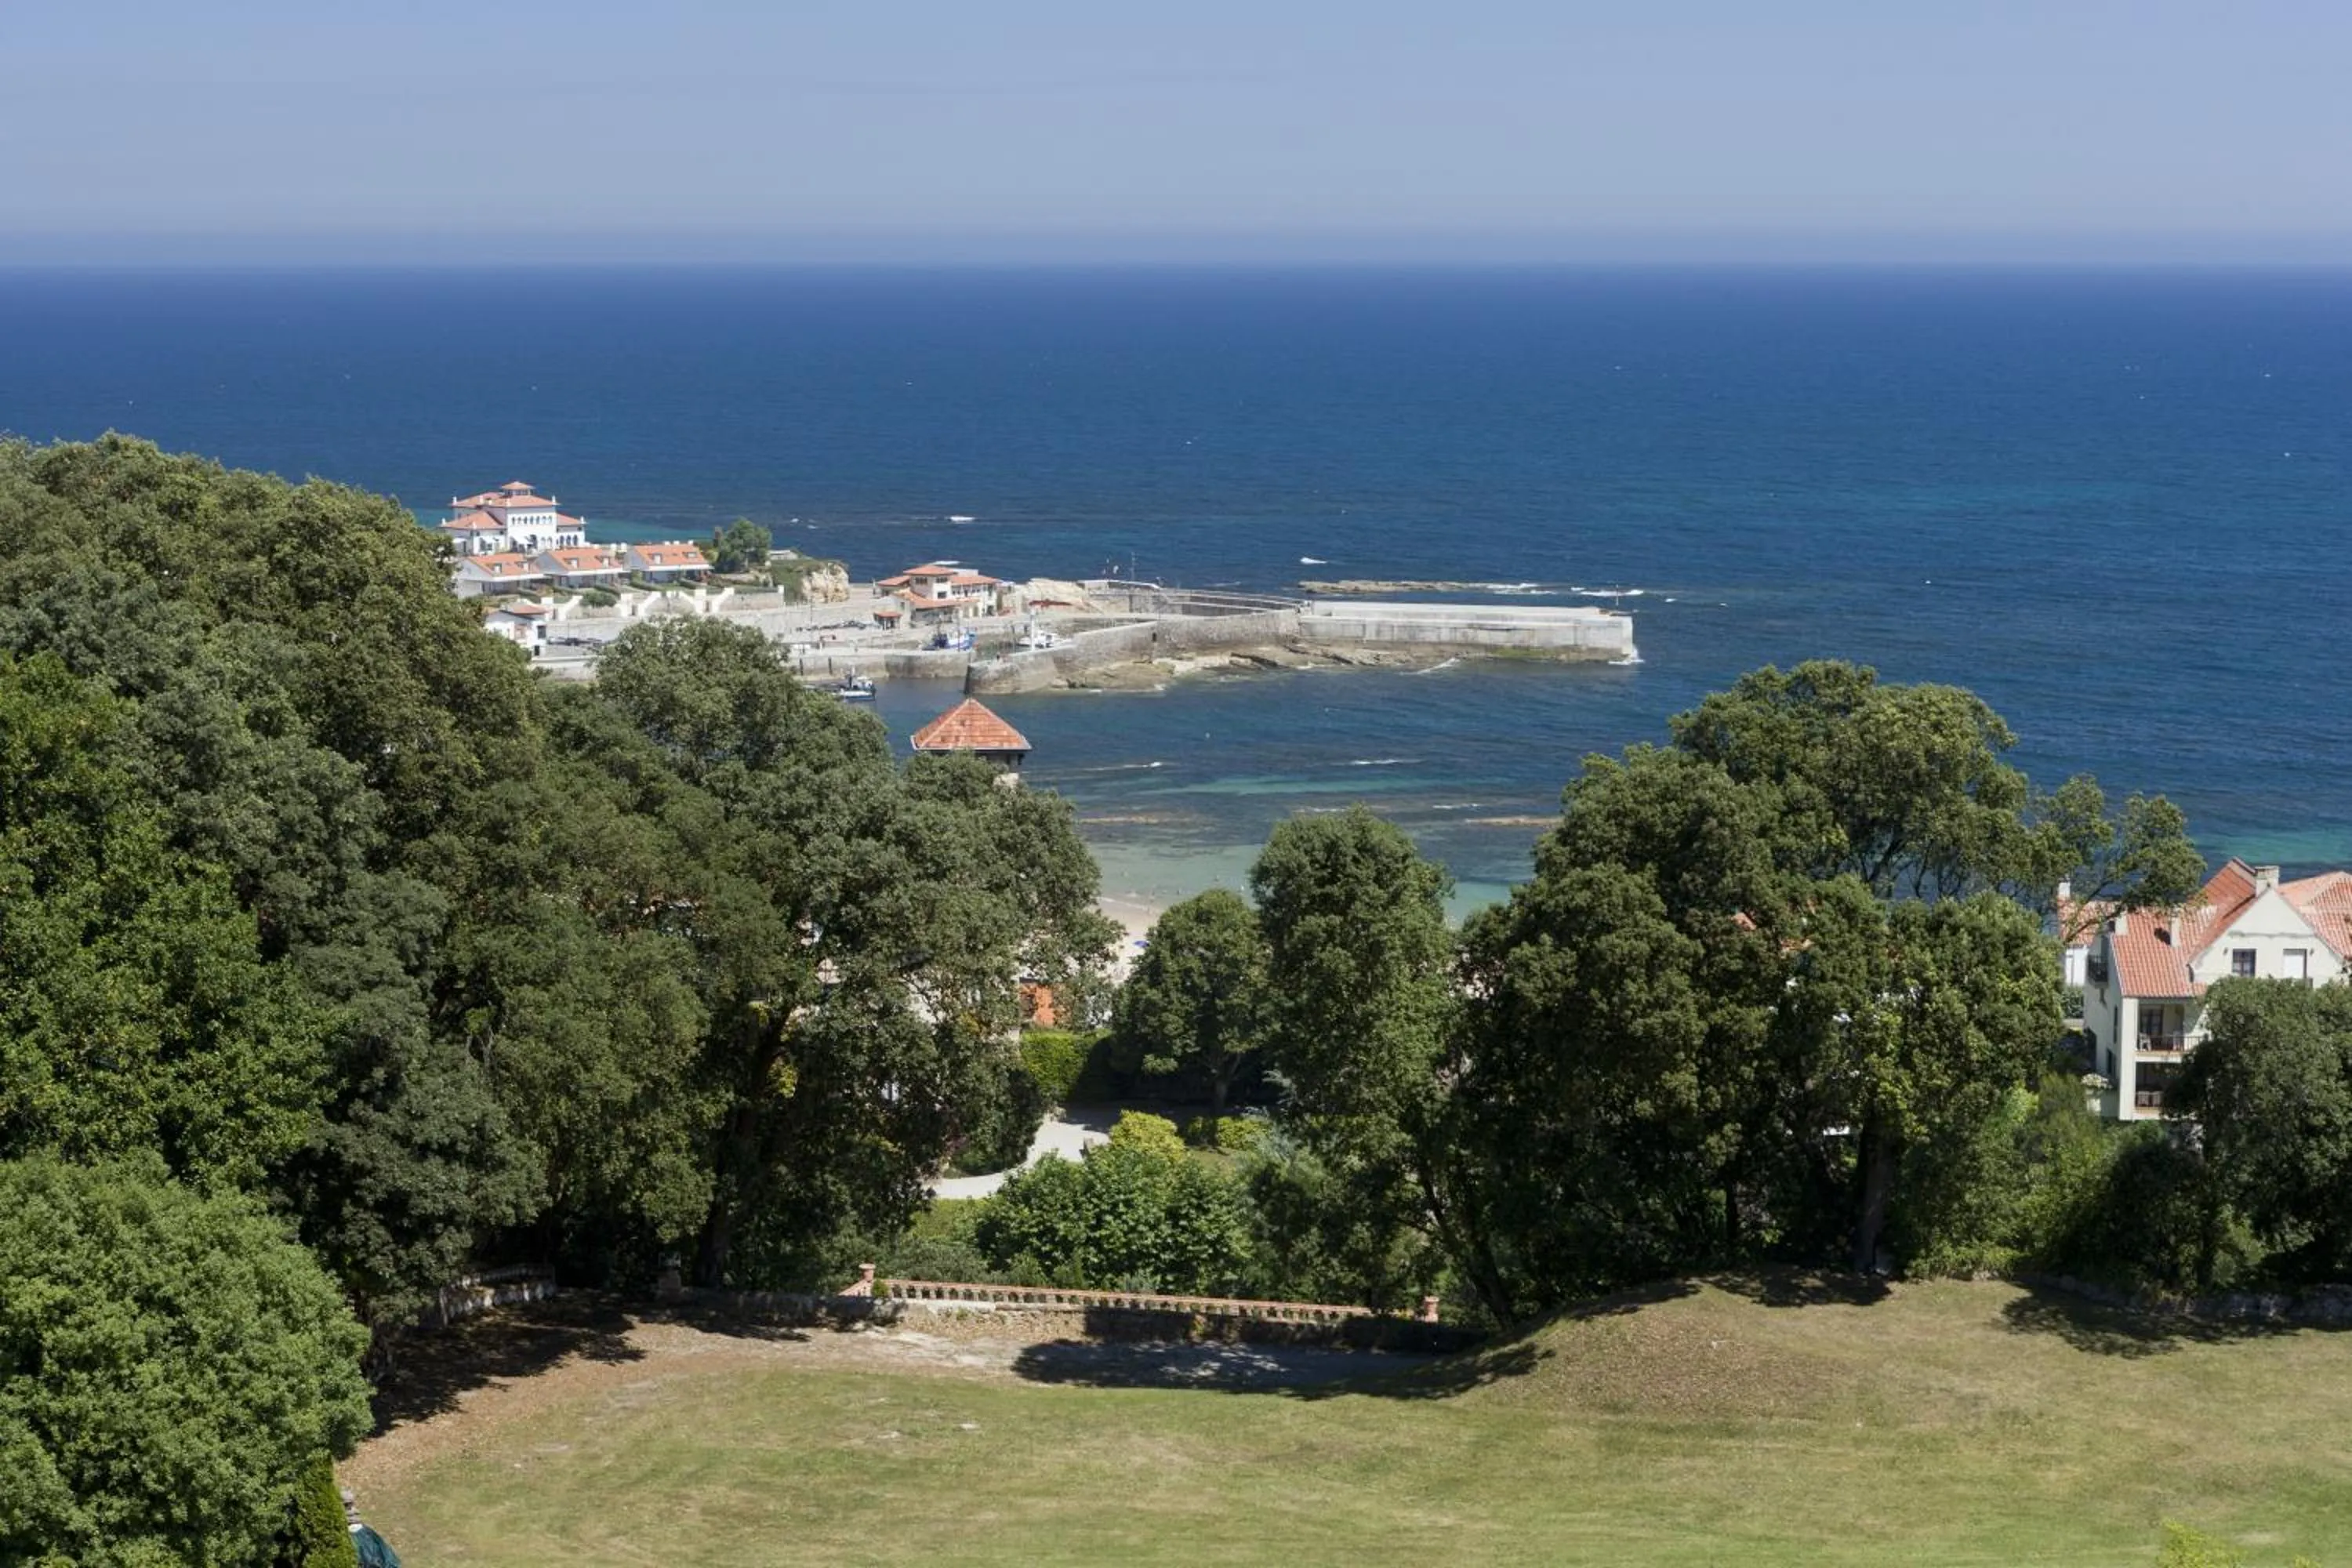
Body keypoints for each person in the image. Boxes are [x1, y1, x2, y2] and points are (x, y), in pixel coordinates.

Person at [341, 1486, 402, 1568]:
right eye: (347, 1504)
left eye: (350, 1504)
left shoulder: (366, 1535)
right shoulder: (364, 1534)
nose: (350, 1507)